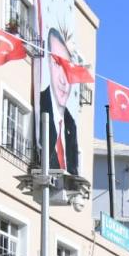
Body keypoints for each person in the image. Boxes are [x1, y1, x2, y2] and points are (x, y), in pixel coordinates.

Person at [40, 29, 79, 176]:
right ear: (48, 63)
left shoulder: (71, 124)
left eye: (68, 68)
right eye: (57, 64)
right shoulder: (40, 107)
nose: (63, 80)